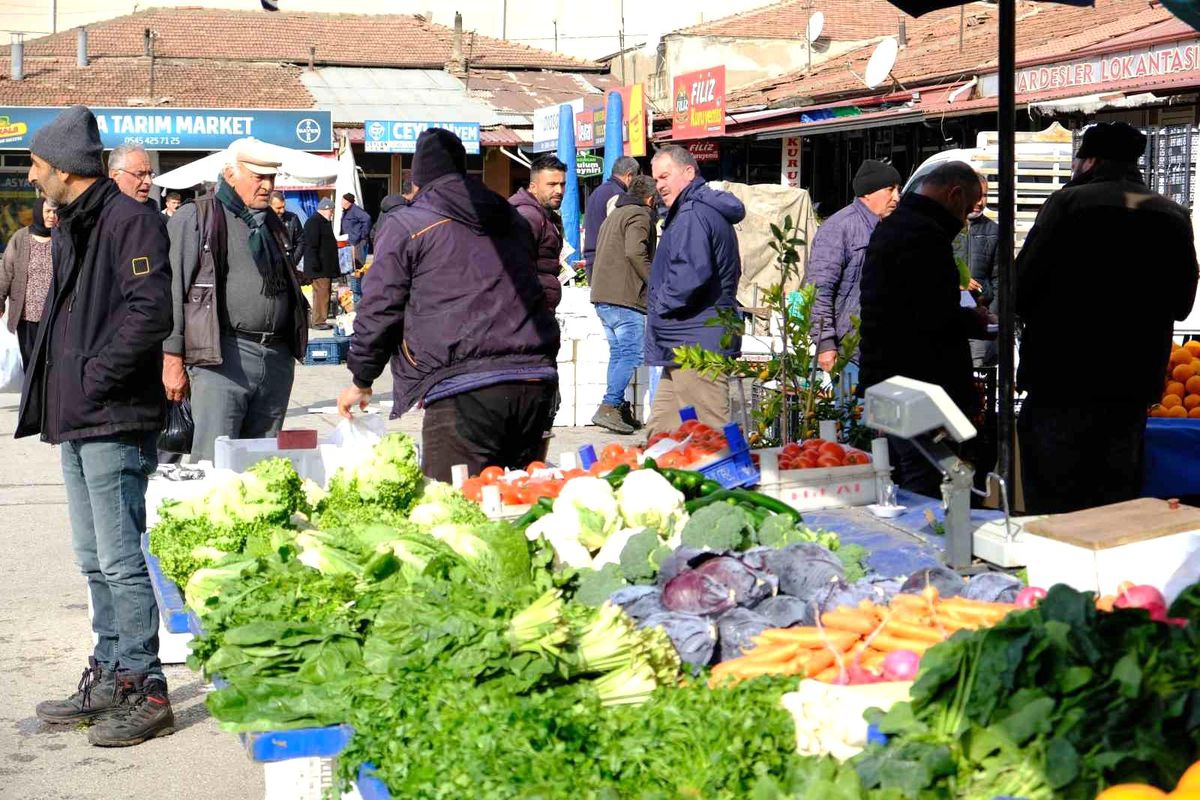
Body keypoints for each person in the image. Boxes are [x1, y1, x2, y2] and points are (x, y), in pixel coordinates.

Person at [17, 105, 175, 745]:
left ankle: (145, 686)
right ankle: (110, 671)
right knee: (93, 559)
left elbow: (150, 312)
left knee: (119, 557)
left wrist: (94, 377)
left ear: (63, 169)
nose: (31, 176)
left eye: (36, 165)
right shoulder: (77, 224)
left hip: (112, 415)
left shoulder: (132, 220)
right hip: (79, 418)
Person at [337, 128, 560, 481]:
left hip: (464, 389)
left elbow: (380, 306)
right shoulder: (512, 218)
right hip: (536, 380)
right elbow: (543, 284)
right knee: (520, 500)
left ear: (418, 179)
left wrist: (362, 378)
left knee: (453, 506)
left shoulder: (409, 225)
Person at [1016, 122, 1199, 514]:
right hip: (1131, 387)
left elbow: (1021, 286)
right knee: (1114, 507)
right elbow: (1183, 303)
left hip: (1060, 380)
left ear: (1091, 161)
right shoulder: (1172, 214)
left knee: (1055, 505)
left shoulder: (1066, 204)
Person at [163, 137, 309, 463]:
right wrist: (172, 361)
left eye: (271, 177)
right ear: (230, 174)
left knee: (262, 466)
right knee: (215, 465)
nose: (267, 185)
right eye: (258, 177)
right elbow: (172, 291)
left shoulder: (272, 224)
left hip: (275, 358)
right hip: (222, 359)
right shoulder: (197, 217)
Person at [858, 162, 990, 498]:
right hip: (919, 383)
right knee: (926, 477)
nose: (965, 220)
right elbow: (929, 314)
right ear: (954, 195)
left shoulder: (897, 226)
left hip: (890, 375)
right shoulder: (923, 235)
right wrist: (972, 320)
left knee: (904, 474)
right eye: (966, 208)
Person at [643, 144, 745, 436]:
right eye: (656, 179)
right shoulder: (694, 210)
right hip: (684, 340)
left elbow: (690, 274)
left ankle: (732, 469)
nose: (659, 185)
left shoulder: (692, 213)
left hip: (695, 341)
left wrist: (659, 304)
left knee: (712, 437)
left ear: (689, 172)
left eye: (665, 176)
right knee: (662, 434)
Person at [807, 160, 901, 380]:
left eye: (899, 189)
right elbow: (820, 289)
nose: (897, 197)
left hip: (888, 350)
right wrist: (824, 343)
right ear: (868, 192)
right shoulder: (839, 228)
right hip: (850, 352)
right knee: (853, 402)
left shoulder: (894, 227)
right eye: (890, 189)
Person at [589, 174, 657, 434]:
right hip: (624, 297)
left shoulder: (615, 214)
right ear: (650, 199)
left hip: (603, 295)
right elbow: (634, 251)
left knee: (619, 353)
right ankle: (609, 405)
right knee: (631, 353)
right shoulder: (640, 215)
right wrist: (654, 282)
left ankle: (617, 407)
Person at [0, 197, 57, 367]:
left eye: (55, 212)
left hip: (54, 315)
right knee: (30, 364)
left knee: (51, 364)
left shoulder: (62, 237)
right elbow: (6, 271)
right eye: (47, 211)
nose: (52, 216)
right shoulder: (20, 237)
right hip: (26, 317)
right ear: (38, 212)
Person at [954, 175, 1000, 367]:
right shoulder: (944, 228)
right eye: (976, 195)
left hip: (979, 318)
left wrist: (992, 319)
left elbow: (999, 280)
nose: (980, 202)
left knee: (977, 371)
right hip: (949, 319)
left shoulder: (994, 231)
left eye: (985, 195)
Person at [510, 155, 566, 312]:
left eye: (562, 184)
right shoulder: (528, 216)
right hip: (527, 311)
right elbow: (514, 269)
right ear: (533, 187)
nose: (559, 190)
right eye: (552, 184)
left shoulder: (545, 215)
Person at [582, 155, 641, 281]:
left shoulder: (598, 191)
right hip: (607, 265)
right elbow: (617, 234)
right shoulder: (618, 196)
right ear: (629, 176)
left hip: (592, 259)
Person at [302, 197, 340, 330]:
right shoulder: (314, 222)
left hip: (324, 266)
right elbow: (312, 245)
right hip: (319, 267)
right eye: (331, 210)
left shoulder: (322, 222)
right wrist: (315, 264)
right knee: (322, 294)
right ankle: (319, 321)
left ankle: (319, 320)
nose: (332, 213)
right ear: (325, 209)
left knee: (323, 293)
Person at [269, 190, 304, 266]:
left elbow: (301, 241)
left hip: (289, 263)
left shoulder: (292, 218)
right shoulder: (263, 221)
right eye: (278, 208)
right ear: (269, 206)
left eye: (283, 207)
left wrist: (293, 261)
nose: (282, 211)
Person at [340, 192, 372, 265]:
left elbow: (367, 219)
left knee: (358, 263)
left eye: (343, 200)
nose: (341, 202)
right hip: (349, 241)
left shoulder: (355, 210)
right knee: (350, 263)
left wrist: (362, 234)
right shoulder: (346, 211)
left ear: (348, 201)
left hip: (358, 242)